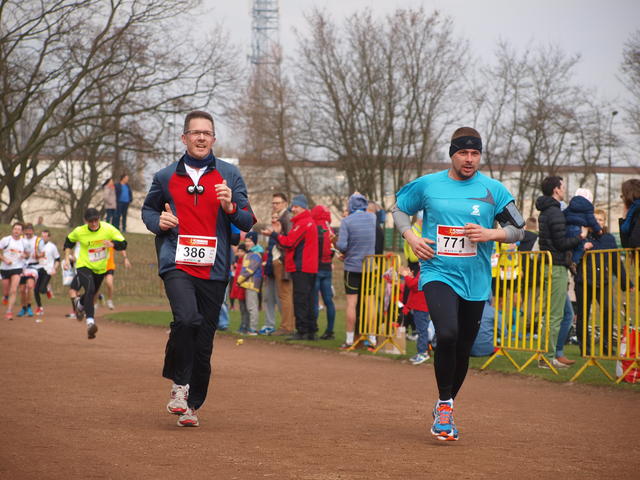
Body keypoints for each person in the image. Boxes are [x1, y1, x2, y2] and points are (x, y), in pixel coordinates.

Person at [393, 127, 525, 442]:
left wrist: (491, 234)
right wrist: (411, 237)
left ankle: (447, 404)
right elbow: (399, 209)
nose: (469, 159)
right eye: (463, 153)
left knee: (464, 346)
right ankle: (444, 406)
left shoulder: (493, 190)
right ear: (452, 154)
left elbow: (518, 229)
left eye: (475, 153)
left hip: (476, 279)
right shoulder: (428, 185)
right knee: (448, 333)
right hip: (437, 271)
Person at [141, 110, 256, 428]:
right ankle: (179, 385)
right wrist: (158, 221)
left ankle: (192, 405)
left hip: (214, 267)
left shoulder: (229, 174)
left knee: (204, 343)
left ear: (213, 139)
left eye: (207, 133)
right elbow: (148, 210)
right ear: (184, 138)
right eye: (195, 132)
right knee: (186, 319)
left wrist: (231, 207)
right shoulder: (165, 176)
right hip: (176, 261)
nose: (201, 137)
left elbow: (247, 219)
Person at [535, 176, 585, 369]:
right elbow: (561, 243)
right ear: (556, 189)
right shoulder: (554, 212)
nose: (564, 190)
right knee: (555, 315)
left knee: (565, 313)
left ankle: (553, 354)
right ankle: (546, 357)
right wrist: (580, 237)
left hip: (553, 266)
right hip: (555, 267)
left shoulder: (549, 210)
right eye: (562, 187)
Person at [63, 208, 128, 339]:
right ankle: (90, 323)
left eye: (96, 220)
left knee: (90, 293)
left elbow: (123, 244)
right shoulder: (79, 231)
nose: (93, 223)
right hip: (84, 266)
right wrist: (66, 259)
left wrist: (113, 244)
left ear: (99, 218)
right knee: (90, 289)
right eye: (90, 221)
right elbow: (68, 242)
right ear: (85, 221)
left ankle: (79, 305)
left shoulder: (108, 229)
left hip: (100, 269)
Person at [265, 194, 319, 341]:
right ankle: (311, 330)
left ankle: (302, 330)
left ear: (303, 207)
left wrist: (274, 234)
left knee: (300, 299)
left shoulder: (303, 223)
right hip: (309, 266)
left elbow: (289, 242)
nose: (293, 209)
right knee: (309, 299)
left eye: (296, 206)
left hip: (302, 266)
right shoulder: (308, 222)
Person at [575, 209, 628, 356]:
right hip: (583, 281)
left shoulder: (609, 239)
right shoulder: (582, 237)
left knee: (608, 310)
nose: (598, 222)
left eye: (601, 220)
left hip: (603, 281)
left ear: (604, 223)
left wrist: (626, 282)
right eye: (595, 219)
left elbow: (616, 262)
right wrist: (582, 248)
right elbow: (574, 257)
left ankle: (607, 345)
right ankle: (584, 348)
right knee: (583, 314)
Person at [336, 192, 377, 348]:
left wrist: (343, 249)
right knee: (370, 304)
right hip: (370, 267)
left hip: (352, 266)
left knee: (351, 304)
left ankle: (349, 339)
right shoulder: (372, 218)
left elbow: (342, 245)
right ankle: (372, 338)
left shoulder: (347, 221)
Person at [265, 193, 295, 335]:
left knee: (284, 294)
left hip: (282, 259)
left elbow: (289, 240)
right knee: (284, 294)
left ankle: (287, 327)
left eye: (277, 203)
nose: (275, 205)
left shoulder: (286, 217)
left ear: (285, 203)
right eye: (273, 203)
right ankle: (287, 325)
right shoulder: (283, 217)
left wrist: (274, 235)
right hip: (280, 258)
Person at [310, 204, 336, 340]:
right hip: (327, 267)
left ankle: (313, 329)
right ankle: (330, 331)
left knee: (314, 300)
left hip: (316, 267)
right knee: (328, 301)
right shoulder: (329, 227)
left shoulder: (315, 226)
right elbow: (333, 248)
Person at [563, 188, 602, 269]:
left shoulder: (571, 204)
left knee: (571, 244)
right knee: (580, 247)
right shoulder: (588, 207)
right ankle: (574, 262)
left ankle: (568, 254)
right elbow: (592, 220)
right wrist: (598, 230)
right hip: (578, 229)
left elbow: (564, 213)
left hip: (568, 228)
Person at [237, 231, 263, 336]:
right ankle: (249, 328)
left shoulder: (256, 255)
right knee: (249, 307)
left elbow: (250, 270)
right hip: (247, 284)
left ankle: (253, 329)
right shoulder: (249, 254)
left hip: (252, 284)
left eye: (250, 241)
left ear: (254, 242)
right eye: (246, 241)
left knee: (252, 307)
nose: (247, 243)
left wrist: (239, 279)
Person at [258, 212, 280, 335]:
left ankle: (286, 326)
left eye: (276, 218)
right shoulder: (270, 234)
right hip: (270, 271)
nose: (273, 220)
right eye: (272, 217)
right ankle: (269, 324)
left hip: (281, 271)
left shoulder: (283, 232)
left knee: (281, 299)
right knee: (268, 299)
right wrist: (267, 270)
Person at [17, 223, 44, 317]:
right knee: (22, 289)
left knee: (30, 286)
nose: (28, 233)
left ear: (33, 231)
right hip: (21, 266)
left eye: (30, 232)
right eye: (26, 232)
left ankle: (29, 307)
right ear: (24, 231)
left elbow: (43, 253)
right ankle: (23, 308)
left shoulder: (38, 240)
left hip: (33, 267)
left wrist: (38, 255)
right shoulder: (20, 239)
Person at [1, 222, 26, 319]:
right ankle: (5, 296)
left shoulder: (23, 242)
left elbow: (28, 254)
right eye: (15, 229)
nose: (16, 231)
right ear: (12, 230)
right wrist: (5, 259)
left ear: (22, 232)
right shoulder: (6, 240)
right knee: (6, 291)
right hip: (5, 268)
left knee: (14, 290)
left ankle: (9, 311)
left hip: (17, 268)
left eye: (19, 229)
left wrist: (24, 255)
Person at [34, 230, 60, 315]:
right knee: (36, 290)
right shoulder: (38, 245)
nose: (43, 238)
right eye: (42, 236)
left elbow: (57, 259)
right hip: (39, 268)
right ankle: (40, 308)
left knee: (42, 289)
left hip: (48, 270)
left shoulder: (52, 246)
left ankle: (48, 289)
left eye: (45, 236)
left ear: (49, 237)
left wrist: (54, 268)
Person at [619, 178, 640, 248]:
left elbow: (634, 242)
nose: (622, 199)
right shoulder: (633, 211)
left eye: (622, 195)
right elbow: (626, 245)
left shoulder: (637, 211)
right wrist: (624, 217)